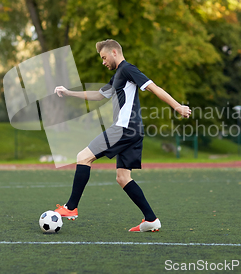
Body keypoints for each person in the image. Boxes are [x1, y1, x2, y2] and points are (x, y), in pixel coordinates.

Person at [53, 39, 191, 232]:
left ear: (114, 52)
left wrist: (177, 106)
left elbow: (153, 87)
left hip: (124, 129)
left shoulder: (127, 69)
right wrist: (68, 93)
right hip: (134, 130)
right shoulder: (118, 75)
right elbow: (100, 95)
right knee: (123, 177)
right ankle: (151, 219)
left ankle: (71, 207)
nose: (103, 62)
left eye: (103, 57)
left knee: (82, 157)